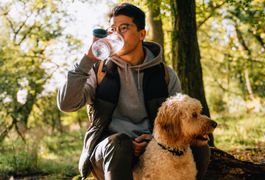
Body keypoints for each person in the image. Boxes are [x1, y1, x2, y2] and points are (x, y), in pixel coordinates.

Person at [57, 3, 210, 180]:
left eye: (124, 28)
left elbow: (177, 122)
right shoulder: (98, 70)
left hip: (155, 146)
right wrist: (88, 59)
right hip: (109, 151)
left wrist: (154, 140)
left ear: (141, 34)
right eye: (112, 29)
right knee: (120, 143)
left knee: (200, 148)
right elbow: (66, 105)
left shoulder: (165, 74)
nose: (116, 34)